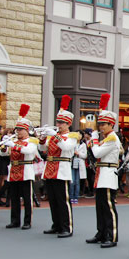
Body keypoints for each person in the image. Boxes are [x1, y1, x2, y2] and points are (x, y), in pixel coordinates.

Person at [86, 94, 122, 248]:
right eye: (99, 124)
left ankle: (111, 235)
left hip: (108, 174)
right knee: (100, 206)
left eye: (104, 124)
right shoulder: (105, 138)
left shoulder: (112, 138)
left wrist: (93, 140)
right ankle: (101, 232)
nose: (101, 127)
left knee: (108, 207)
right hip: (101, 173)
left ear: (111, 124)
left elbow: (98, 153)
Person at [39, 96, 78, 238]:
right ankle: (56, 225)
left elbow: (67, 148)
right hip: (50, 168)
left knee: (63, 200)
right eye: (58, 122)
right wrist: (43, 137)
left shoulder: (72, 136)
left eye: (62, 122)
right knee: (53, 199)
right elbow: (42, 148)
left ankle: (66, 227)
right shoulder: (54, 135)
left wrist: (55, 135)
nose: (59, 124)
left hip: (62, 168)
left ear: (68, 124)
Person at [0, 104, 38, 229]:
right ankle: (14, 220)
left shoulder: (32, 141)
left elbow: (28, 151)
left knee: (27, 198)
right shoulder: (14, 141)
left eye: (20, 130)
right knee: (14, 197)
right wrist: (4, 147)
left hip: (25, 170)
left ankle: (27, 221)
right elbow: (2, 153)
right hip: (13, 170)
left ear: (27, 130)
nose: (18, 132)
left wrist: (13, 145)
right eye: (17, 130)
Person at [0, 127, 12, 207]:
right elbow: (3, 153)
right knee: (7, 182)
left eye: (11, 133)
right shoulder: (4, 141)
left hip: (11, 161)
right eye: (9, 133)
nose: (10, 135)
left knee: (9, 183)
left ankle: (8, 200)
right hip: (4, 162)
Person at [69, 131, 87, 204]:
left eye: (79, 134)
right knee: (72, 181)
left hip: (79, 163)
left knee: (77, 181)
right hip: (72, 163)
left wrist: (78, 153)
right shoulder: (71, 144)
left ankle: (76, 196)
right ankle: (71, 196)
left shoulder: (83, 145)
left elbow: (85, 155)